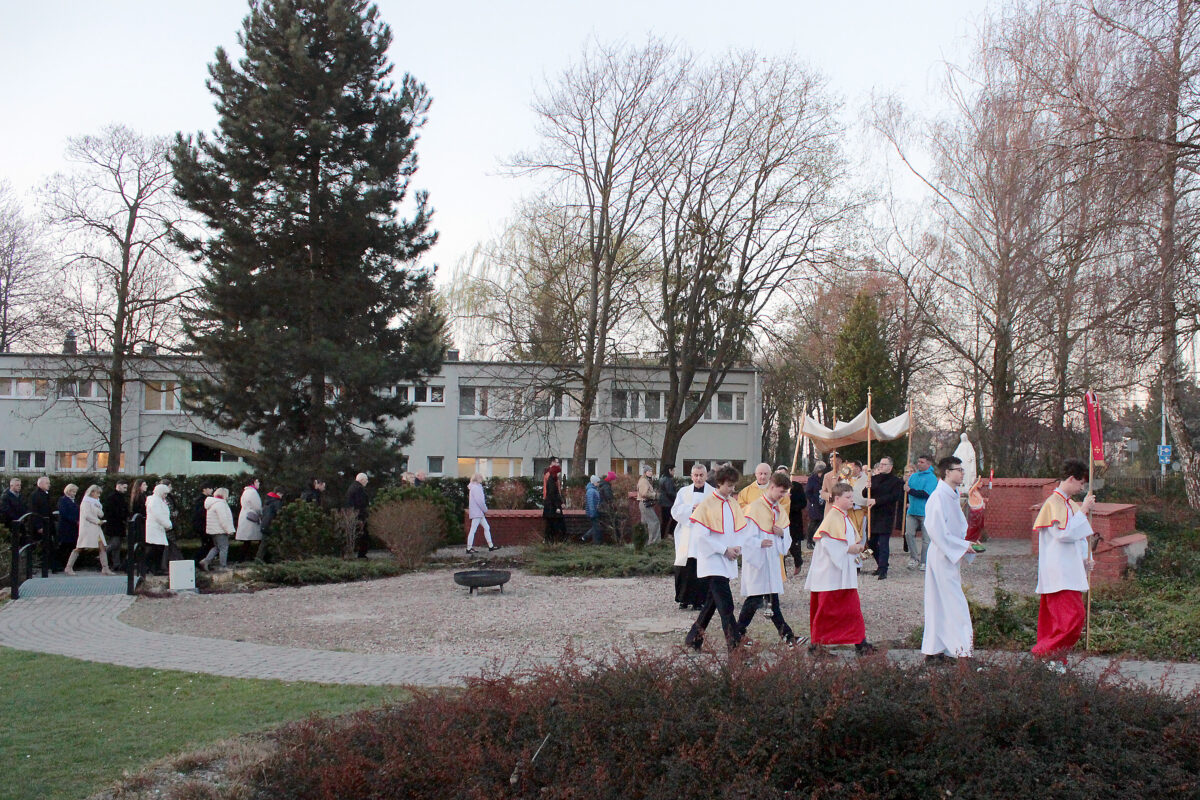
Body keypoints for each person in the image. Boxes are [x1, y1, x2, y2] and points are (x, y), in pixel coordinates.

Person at [1031, 459, 1097, 667]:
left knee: (1058, 622)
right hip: (1059, 573)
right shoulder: (1054, 504)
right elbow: (1064, 534)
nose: (1082, 488)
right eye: (1081, 483)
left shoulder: (1068, 504)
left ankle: (1054, 661)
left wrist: (1085, 559)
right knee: (1072, 619)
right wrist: (1083, 509)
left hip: (1068, 572)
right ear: (1070, 479)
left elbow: (1078, 538)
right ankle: (1043, 654)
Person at [684, 466, 749, 652]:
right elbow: (701, 536)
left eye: (734, 485)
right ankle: (735, 647)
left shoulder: (733, 503)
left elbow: (740, 530)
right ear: (719, 483)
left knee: (711, 604)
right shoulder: (707, 505)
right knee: (726, 606)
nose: (732, 489)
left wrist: (738, 547)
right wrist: (724, 549)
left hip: (727, 560)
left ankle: (693, 638)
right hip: (712, 561)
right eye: (729, 485)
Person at [921, 455, 978, 663]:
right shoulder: (938, 496)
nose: (962, 473)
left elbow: (958, 527)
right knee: (955, 603)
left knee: (941, 603)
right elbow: (936, 530)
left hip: (948, 554)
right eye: (958, 470)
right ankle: (962, 652)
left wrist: (968, 542)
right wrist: (962, 546)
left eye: (962, 470)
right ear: (947, 472)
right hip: (941, 554)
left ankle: (936, 650)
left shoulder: (952, 495)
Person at [805, 482, 874, 656]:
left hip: (841, 572)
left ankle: (860, 642)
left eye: (852, 497)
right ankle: (817, 646)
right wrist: (850, 549)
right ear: (836, 498)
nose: (852, 500)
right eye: (848, 497)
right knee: (827, 611)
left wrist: (856, 549)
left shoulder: (843, 516)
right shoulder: (832, 518)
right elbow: (828, 543)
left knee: (851, 609)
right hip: (830, 574)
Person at [738, 472, 799, 645]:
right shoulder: (754, 508)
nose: (783, 496)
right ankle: (737, 634)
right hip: (758, 560)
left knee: (772, 601)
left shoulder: (778, 510)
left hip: (771, 559)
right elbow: (743, 536)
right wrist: (758, 543)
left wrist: (781, 534)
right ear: (772, 487)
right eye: (781, 491)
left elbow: (786, 536)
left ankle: (788, 637)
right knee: (755, 599)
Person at [671, 464, 714, 610]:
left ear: (706, 476)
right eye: (696, 475)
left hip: (704, 534)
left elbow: (717, 513)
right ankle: (683, 599)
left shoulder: (713, 493)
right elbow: (675, 511)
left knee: (701, 568)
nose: (698, 478)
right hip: (687, 534)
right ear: (691, 476)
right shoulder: (683, 492)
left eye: (701, 475)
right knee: (685, 567)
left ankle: (699, 601)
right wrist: (691, 509)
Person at [65, 485, 113, 576]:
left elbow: (101, 514)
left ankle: (105, 568)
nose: (99, 495)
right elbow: (87, 515)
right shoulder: (85, 502)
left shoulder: (96, 503)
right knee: (80, 547)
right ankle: (68, 567)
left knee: (102, 547)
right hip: (87, 528)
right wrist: (98, 521)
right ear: (92, 492)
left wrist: (98, 508)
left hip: (96, 528)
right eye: (97, 493)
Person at [868, 456, 904, 580]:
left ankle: (883, 569)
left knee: (883, 543)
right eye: (880, 464)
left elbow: (894, 497)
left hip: (886, 514)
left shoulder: (896, 481)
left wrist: (876, 501)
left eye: (884, 464)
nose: (881, 466)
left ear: (890, 467)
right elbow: (865, 494)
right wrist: (868, 487)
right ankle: (880, 564)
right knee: (871, 542)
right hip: (874, 514)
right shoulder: (874, 478)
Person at [905, 455, 937, 569]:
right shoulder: (913, 476)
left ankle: (925, 561)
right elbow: (907, 488)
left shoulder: (932, 478)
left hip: (925, 512)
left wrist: (910, 491)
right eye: (918, 461)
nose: (919, 464)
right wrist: (905, 484)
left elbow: (926, 493)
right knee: (908, 534)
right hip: (912, 510)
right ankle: (914, 558)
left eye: (922, 462)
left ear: (928, 464)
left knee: (926, 539)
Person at [199, 487, 236, 571]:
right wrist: (229, 530)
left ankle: (205, 561)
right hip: (220, 530)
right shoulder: (220, 504)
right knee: (224, 548)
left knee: (217, 547)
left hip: (213, 530)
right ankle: (223, 566)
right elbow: (223, 519)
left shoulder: (212, 503)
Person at [143, 482, 173, 576]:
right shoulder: (155, 501)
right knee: (156, 549)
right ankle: (153, 568)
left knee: (157, 549)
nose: (166, 496)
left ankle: (152, 568)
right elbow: (158, 515)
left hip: (158, 528)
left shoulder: (157, 500)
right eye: (165, 493)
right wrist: (168, 524)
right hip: (155, 528)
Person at [102, 480, 130, 571]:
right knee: (115, 544)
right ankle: (102, 555)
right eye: (124, 487)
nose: (125, 490)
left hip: (118, 524)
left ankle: (116, 563)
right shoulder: (113, 497)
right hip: (114, 524)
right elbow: (111, 511)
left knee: (117, 546)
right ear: (118, 486)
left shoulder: (119, 497)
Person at [467, 472, 496, 553]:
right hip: (478, 512)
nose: (482, 479)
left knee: (486, 527)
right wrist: (485, 510)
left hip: (478, 512)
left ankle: (491, 546)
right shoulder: (476, 488)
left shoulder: (474, 487)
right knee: (473, 530)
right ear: (477, 479)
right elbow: (480, 501)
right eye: (480, 477)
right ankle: (469, 548)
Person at [234, 478, 263, 560]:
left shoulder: (246, 491)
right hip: (252, 518)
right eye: (257, 482)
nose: (259, 483)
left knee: (247, 541)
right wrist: (261, 514)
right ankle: (259, 557)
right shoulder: (253, 492)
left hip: (245, 516)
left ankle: (241, 558)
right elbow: (257, 507)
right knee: (258, 539)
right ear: (253, 482)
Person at [55, 484, 80, 572]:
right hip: (66, 527)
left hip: (74, 527)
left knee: (72, 546)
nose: (74, 493)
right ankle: (59, 565)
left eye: (75, 492)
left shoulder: (74, 501)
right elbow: (64, 513)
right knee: (64, 546)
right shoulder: (63, 500)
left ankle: (70, 564)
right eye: (73, 491)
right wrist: (75, 521)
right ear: (68, 491)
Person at [345, 473, 369, 558]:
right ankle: (362, 554)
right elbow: (361, 503)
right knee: (363, 536)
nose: (367, 482)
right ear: (362, 480)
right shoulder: (359, 489)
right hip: (359, 516)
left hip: (352, 515)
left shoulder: (352, 487)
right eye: (366, 480)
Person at [804, 461, 827, 549]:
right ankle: (809, 541)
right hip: (814, 503)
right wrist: (814, 500)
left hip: (824, 503)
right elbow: (808, 492)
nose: (820, 474)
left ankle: (818, 541)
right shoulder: (812, 479)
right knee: (813, 522)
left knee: (821, 522)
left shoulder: (826, 477)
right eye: (819, 471)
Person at [542, 460, 567, 542]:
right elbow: (553, 495)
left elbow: (556, 494)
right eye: (558, 472)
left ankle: (549, 540)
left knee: (551, 524)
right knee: (554, 524)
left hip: (551, 507)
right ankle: (552, 540)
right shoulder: (552, 481)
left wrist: (561, 502)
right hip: (552, 507)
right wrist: (557, 507)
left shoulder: (553, 480)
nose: (559, 474)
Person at [637, 465, 661, 544]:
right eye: (649, 471)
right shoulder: (644, 481)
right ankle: (654, 542)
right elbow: (644, 493)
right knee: (654, 522)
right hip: (645, 503)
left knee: (645, 523)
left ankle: (644, 542)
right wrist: (654, 495)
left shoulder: (644, 480)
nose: (651, 473)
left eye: (651, 471)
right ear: (645, 472)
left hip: (644, 503)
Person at [258, 487, 283, 561]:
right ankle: (275, 560)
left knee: (263, 544)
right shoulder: (277, 502)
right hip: (272, 525)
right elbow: (279, 513)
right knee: (276, 544)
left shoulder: (267, 502)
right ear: (278, 493)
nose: (282, 496)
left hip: (264, 525)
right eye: (281, 494)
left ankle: (258, 560)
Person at [191, 485, 213, 560]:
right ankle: (197, 560)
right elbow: (201, 513)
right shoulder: (202, 500)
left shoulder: (202, 499)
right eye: (210, 488)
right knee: (208, 544)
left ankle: (201, 560)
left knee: (208, 543)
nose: (211, 490)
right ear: (204, 489)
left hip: (201, 524)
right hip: (202, 525)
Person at [658, 465, 678, 541]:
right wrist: (675, 500)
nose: (674, 472)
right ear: (669, 470)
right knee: (675, 518)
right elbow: (670, 492)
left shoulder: (662, 478)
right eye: (673, 470)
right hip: (668, 503)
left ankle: (662, 537)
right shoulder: (668, 480)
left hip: (663, 503)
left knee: (665, 521)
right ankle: (669, 534)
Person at [598, 471, 617, 541]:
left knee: (602, 525)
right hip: (605, 508)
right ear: (611, 480)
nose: (615, 482)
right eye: (614, 480)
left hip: (602, 507)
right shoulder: (606, 486)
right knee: (609, 524)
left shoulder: (603, 485)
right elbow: (609, 498)